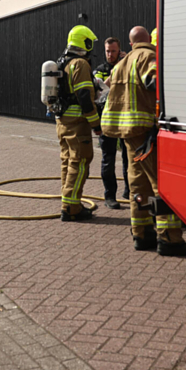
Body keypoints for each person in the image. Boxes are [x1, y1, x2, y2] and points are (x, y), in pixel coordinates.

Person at [101, 26, 186, 256]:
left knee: (138, 184)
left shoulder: (122, 63)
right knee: (162, 184)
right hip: (145, 133)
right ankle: (169, 239)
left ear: (131, 43)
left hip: (127, 134)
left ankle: (142, 234)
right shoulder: (148, 56)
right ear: (148, 41)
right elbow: (156, 84)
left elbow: (106, 89)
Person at [55, 25, 103, 222]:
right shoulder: (80, 64)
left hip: (63, 122)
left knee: (67, 162)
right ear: (86, 42)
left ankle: (68, 202)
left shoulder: (62, 62)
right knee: (80, 162)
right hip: (77, 124)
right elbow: (84, 97)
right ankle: (72, 208)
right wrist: (96, 125)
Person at [94, 37, 129, 209]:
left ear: (119, 50)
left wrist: (127, 62)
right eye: (107, 51)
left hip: (125, 119)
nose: (110, 54)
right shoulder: (100, 70)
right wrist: (116, 69)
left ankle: (129, 191)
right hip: (107, 121)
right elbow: (99, 92)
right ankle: (110, 196)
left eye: (113, 51)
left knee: (128, 158)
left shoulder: (127, 65)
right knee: (108, 159)